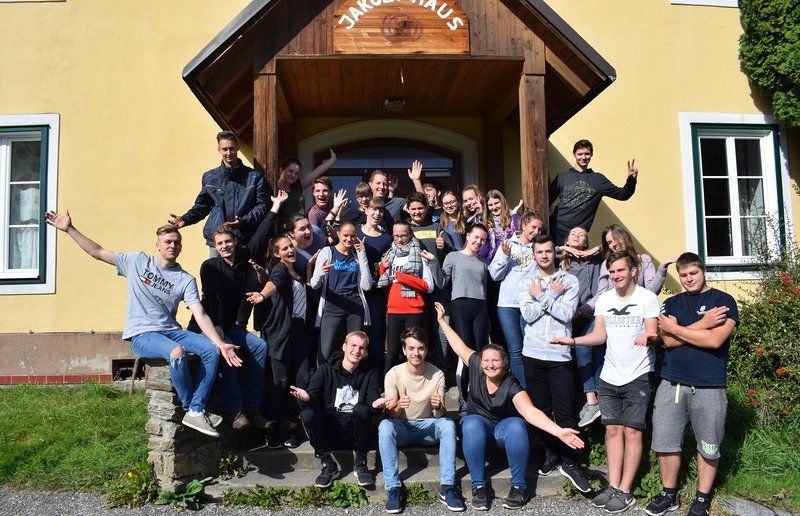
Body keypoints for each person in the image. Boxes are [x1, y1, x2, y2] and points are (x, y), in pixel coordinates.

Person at [45, 211, 241, 437]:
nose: (172, 246)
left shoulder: (185, 279)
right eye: (168, 242)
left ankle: (196, 408)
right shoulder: (137, 262)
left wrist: (220, 343)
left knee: (211, 350)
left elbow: (200, 313)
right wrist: (70, 229)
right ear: (157, 245)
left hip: (171, 331)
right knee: (177, 353)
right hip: (143, 334)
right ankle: (192, 409)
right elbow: (97, 252)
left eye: (177, 242)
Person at [435, 302, 584, 511]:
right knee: (471, 422)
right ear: (480, 361)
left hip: (504, 434)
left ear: (504, 363)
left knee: (517, 424)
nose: (490, 365)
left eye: (495, 361)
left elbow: (530, 412)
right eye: (486, 360)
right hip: (478, 432)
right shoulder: (476, 365)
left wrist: (559, 432)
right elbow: (458, 345)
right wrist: (442, 321)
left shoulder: (511, 384)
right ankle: (478, 487)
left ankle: (518, 487)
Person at [553, 251, 660, 513]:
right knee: (612, 431)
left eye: (621, 270)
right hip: (610, 375)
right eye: (612, 272)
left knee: (632, 432)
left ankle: (626, 491)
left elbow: (653, 332)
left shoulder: (647, 298)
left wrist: (648, 337)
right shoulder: (606, 299)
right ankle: (613, 486)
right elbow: (599, 336)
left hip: (638, 374)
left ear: (633, 271)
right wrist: (573, 341)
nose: (616, 276)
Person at [644, 253, 738, 516]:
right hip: (672, 383)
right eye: (683, 275)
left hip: (709, 385)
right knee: (665, 442)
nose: (688, 279)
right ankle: (669, 494)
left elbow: (715, 341)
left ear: (703, 271)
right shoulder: (671, 303)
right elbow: (669, 342)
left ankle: (702, 498)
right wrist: (704, 324)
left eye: (693, 273)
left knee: (709, 445)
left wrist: (679, 329)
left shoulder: (722, 301)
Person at [190, 190, 288, 431]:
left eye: (228, 241)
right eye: (220, 243)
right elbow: (214, 299)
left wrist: (275, 207)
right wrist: (219, 329)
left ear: (235, 242)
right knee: (228, 352)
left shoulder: (245, 259)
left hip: (232, 325)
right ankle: (236, 411)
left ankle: (253, 406)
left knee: (260, 346)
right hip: (209, 325)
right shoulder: (210, 266)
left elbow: (261, 234)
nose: (225, 246)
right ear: (215, 246)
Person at [518, 235, 590, 493]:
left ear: (555, 253)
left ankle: (570, 461)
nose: (545, 256)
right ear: (534, 255)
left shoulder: (569, 280)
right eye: (540, 252)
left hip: (560, 354)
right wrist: (550, 296)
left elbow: (567, 314)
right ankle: (551, 454)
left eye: (549, 251)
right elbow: (528, 315)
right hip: (533, 353)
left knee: (565, 408)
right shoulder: (526, 281)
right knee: (542, 409)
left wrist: (542, 296)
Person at [379, 326, 464, 513]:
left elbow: (439, 415)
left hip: (427, 427)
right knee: (384, 426)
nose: (416, 353)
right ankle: (393, 488)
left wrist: (438, 407)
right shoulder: (393, 374)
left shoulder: (437, 374)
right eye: (411, 348)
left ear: (426, 350)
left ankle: (447, 487)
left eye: (420, 348)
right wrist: (399, 405)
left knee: (448, 424)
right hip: (402, 427)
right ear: (404, 350)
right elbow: (390, 415)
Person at [291, 332, 384, 488]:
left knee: (363, 408)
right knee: (307, 414)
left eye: (362, 348)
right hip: (330, 430)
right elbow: (312, 397)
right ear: (344, 347)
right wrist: (306, 398)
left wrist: (376, 405)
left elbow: (373, 399)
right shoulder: (325, 370)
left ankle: (360, 463)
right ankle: (328, 464)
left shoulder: (370, 373)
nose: (357, 351)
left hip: (354, 432)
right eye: (353, 346)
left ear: (366, 353)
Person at [246, 234, 312, 449]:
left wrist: (309, 269)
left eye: (291, 246)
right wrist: (262, 296)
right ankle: (273, 428)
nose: (290, 250)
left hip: (300, 332)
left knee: (302, 380)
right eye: (284, 249)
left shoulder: (297, 272)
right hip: (282, 332)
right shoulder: (280, 269)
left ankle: (290, 427)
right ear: (276, 254)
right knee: (280, 383)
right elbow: (273, 284)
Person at [169, 131, 270, 250]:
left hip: (245, 239)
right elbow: (202, 206)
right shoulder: (210, 177)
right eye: (225, 149)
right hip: (217, 240)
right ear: (219, 150)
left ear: (237, 147)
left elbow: (263, 206)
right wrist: (186, 219)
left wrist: (243, 221)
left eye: (231, 148)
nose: (228, 153)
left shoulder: (254, 177)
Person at [488, 212, 545, 387]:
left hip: (530, 304)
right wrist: (505, 256)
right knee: (515, 350)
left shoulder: (539, 248)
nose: (536, 232)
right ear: (524, 226)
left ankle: (535, 387)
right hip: (508, 304)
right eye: (533, 227)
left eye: (540, 229)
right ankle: (522, 390)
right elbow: (494, 275)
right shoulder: (508, 244)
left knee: (532, 348)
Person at [548, 139, 638, 243]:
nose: (583, 157)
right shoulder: (562, 178)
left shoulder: (598, 180)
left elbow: (622, 195)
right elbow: (546, 201)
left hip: (579, 234)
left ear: (591, 154)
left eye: (587, 154)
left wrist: (631, 180)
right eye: (580, 154)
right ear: (574, 154)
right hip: (555, 228)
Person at [377, 220, 436, 377]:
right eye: (396, 236)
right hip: (394, 309)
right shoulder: (389, 255)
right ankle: (388, 387)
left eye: (403, 235)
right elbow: (384, 285)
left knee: (413, 352)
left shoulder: (419, 254)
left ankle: (415, 384)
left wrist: (402, 277)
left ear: (410, 235)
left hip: (414, 310)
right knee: (392, 353)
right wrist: (382, 269)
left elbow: (429, 286)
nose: (400, 239)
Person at [560, 226, 605, 426]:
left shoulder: (594, 261)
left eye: (581, 235)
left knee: (585, 348)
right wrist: (564, 249)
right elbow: (539, 251)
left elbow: (612, 246)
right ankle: (592, 398)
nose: (577, 236)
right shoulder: (559, 260)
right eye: (573, 234)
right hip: (566, 317)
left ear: (586, 242)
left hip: (589, 313)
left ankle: (593, 398)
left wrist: (594, 250)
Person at [310, 220, 372, 362]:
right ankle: (323, 375)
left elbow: (366, 286)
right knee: (325, 347)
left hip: (354, 303)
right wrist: (320, 273)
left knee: (356, 347)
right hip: (333, 302)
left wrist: (362, 254)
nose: (349, 239)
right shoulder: (328, 252)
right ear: (338, 234)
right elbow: (314, 284)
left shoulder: (357, 256)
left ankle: (352, 375)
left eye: (353, 236)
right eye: (345, 235)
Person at [442, 223, 489, 410]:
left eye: (483, 240)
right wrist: (432, 262)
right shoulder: (453, 257)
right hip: (460, 305)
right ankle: (463, 399)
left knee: (480, 353)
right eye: (476, 237)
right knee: (464, 352)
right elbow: (442, 282)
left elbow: (485, 288)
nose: (478, 241)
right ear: (468, 236)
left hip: (480, 307)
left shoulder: (483, 262)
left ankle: (479, 397)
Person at [357, 198, 393, 372]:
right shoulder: (355, 233)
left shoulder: (386, 239)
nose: (377, 213)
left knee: (377, 335)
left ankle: (376, 376)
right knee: (357, 333)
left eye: (381, 210)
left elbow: (388, 267)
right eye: (374, 209)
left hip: (377, 292)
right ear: (366, 210)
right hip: (356, 291)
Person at [597, 224, 675, 296]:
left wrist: (662, 268)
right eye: (609, 242)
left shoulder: (644, 260)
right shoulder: (607, 264)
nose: (614, 244)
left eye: (616, 238)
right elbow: (601, 294)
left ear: (625, 237)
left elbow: (652, 291)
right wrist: (589, 306)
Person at [276, 149, 337, 226]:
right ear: (282, 170)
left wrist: (332, 160)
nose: (293, 175)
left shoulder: (297, 186)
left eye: (296, 173)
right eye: (290, 171)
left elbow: (316, 173)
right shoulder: (274, 189)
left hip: (300, 229)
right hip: (284, 230)